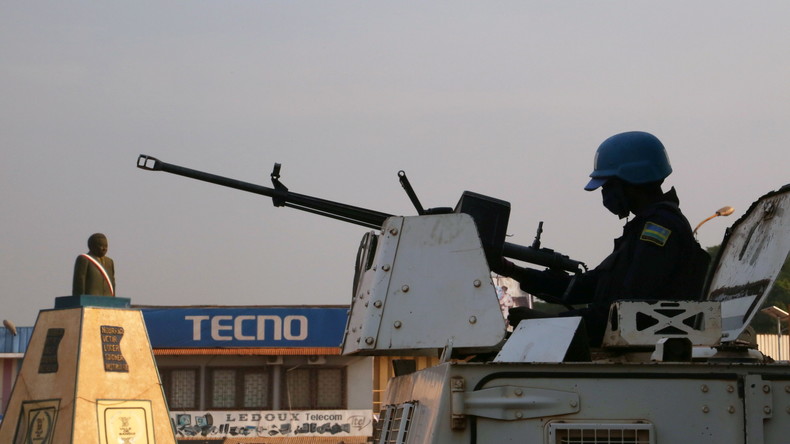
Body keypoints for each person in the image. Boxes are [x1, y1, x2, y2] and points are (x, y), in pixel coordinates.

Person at [497, 131, 709, 346]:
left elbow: (627, 312)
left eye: (608, 186)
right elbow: (588, 286)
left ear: (631, 181)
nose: (604, 194)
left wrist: (545, 322)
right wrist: (512, 271)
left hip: (644, 355)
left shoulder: (660, 230)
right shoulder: (641, 230)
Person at [73, 233, 116, 297]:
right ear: (92, 246)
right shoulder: (84, 259)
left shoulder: (109, 262)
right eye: (101, 246)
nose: (104, 249)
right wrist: (78, 299)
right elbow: (79, 281)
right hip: (90, 299)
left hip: (108, 300)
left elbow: (112, 282)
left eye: (106, 246)